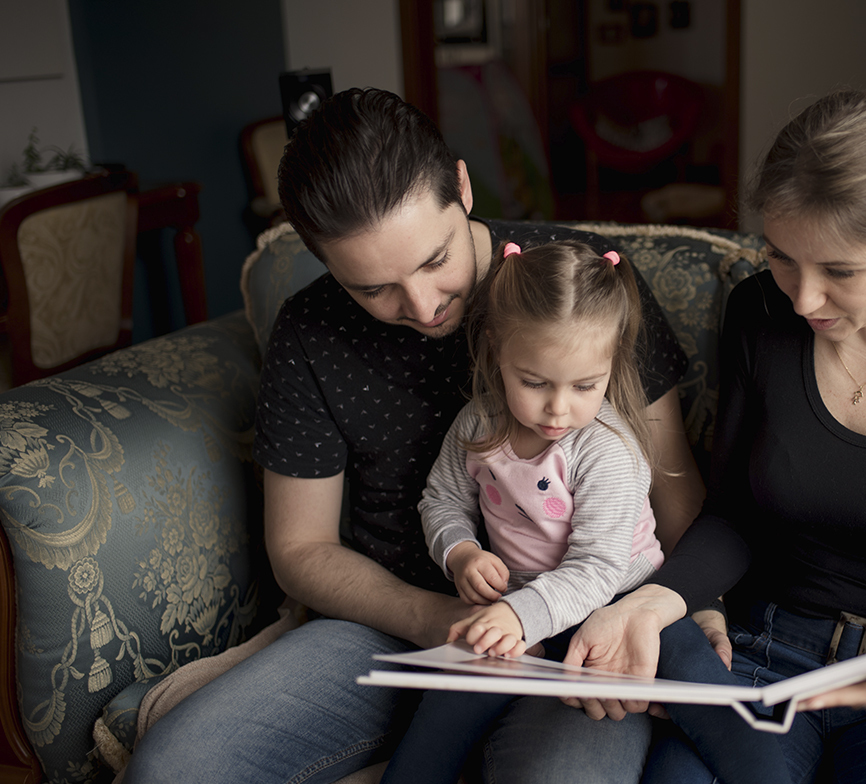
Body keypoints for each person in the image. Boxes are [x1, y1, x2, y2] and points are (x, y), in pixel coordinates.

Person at [123, 88, 708, 784]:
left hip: (579, 622)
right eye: (374, 288)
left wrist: (695, 609)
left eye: (435, 261)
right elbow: (300, 547)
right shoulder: (310, 332)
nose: (424, 307)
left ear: (460, 187)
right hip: (387, 628)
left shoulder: (576, 287)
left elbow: (672, 481)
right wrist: (434, 618)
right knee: (173, 767)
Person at [561, 89, 866, 783]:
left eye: (840, 271)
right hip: (760, 650)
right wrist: (652, 601)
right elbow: (734, 514)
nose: (802, 298)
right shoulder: (758, 314)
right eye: (782, 257)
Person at [381, 241, 790, 784]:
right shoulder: (477, 426)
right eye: (534, 382)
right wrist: (460, 550)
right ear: (496, 348)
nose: (558, 408)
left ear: (611, 364)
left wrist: (522, 615)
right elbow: (442, 499)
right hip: (522, 605)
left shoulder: (606, 449)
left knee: (715, 702)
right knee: (445, 705)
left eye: (584, 386)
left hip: (626, 597)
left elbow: (597, 569)